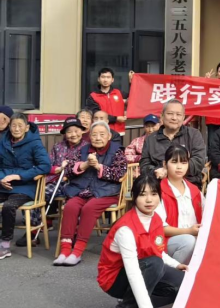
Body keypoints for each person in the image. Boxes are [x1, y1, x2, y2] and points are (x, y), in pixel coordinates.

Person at [97, 174, 186, 308]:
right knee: (155, 264)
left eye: (154, 194)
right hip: (114, 278)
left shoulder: (156, 219)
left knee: (179, 284)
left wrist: (177, 265)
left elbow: (157, 251)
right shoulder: (126, 228)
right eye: (143, 195)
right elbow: (133, 272)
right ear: (134, 197)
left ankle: (135, 304)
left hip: (143, 267)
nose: (149, 200)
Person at [55, 121, 127, 266]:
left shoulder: (117, 151)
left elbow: (120, 173)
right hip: (82, 189)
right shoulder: (83, 150)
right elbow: (68, 170)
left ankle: (77, 252)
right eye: (94, 135)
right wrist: (85, 164)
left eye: (102, 134)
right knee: (70, 206)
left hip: (107, 191)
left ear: (109, 136)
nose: (98, 138)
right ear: (89, 137)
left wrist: (99, 167)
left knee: (89, 208)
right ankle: (65, 250)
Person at [27, 117, 89, 242]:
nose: (73, 134)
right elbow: (47, 165)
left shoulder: (88, 147)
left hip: (77, 183)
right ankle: (33, 231)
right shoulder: (57, 147)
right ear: (65, 133)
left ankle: (74, 232)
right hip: (57, 181)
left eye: (76, 131)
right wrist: (58, 168)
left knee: (75, 201)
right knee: (39, 194)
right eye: (69, 132)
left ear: (82, 131)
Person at [0, 113, 51, 259]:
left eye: (20, 126)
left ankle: (5, 245)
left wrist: (19, 176)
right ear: (9, 127)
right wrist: (1, 178)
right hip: (4, 185)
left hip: (25, 187)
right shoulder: (3, 142)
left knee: (9, 206)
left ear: (27, 128)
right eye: (13, 126)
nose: (16, 129)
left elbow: (45, 166)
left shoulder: (34, 143)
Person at [139, 100, 206, 188]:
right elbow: (144, 166)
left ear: (183, 117)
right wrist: (156, 171)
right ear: (162, 116)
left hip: (188, 184)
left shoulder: (194, 135)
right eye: (170, 114)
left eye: (178, 114)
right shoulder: (151, 139)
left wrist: (170, 171)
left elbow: (198, 161)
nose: (174, 118)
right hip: (159, 186)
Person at [155, 145, 204, 266]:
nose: (179, 167)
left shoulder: (195, 191)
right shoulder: (158, 191)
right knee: (189, 241)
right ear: (165, 164)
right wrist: (189, 231)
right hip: (165, 242)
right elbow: (160, 228)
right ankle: (171, 273)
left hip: (194, 238)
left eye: (183, 162)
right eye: (174, 162)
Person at [86, 67, 127, 135]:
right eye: (103, 77)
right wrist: (116, 119)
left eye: (108, 77)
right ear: (98, 79)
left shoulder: (119, 93)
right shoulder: (93, 96)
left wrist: (132, 82)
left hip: (119, 131)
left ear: (112, 80)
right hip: (101, 132)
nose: (105, 80)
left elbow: (133, 98)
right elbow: (96, 114)